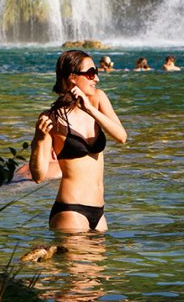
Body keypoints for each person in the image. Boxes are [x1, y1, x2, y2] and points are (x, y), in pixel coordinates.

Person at [29, 50, 127, 232]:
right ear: (73, 77)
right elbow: (38, 176)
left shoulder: (98, 99)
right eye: (90, 73)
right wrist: (39, 139)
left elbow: (121, 136)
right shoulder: (52, 118)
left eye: (96, 72)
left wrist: (90, 109)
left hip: (99, 213)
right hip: (70, 211)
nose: (96, 78)